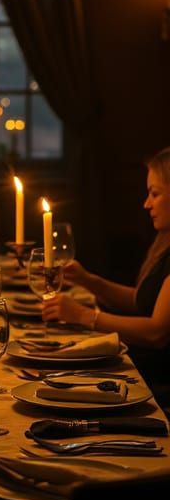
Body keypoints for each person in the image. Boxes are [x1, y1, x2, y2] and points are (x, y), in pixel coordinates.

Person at [42, 146, 170, 405]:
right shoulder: (165, 242)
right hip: (138, 370)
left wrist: (85, 316)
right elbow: (142, 301)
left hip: (156, 387)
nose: (146, 204)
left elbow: (157, 332)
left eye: (154, 194)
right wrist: (90, 281)